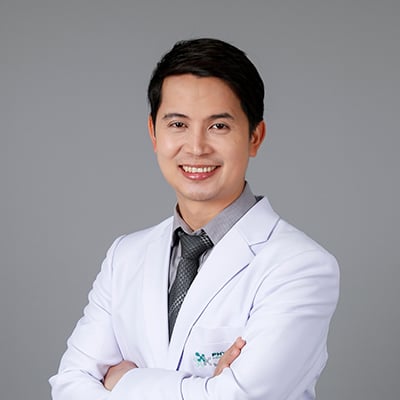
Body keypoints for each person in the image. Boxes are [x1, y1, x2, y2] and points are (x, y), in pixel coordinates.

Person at [49, 38, 339, 400]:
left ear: (255, 137)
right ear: (154, 134)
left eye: (218, 126)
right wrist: (206, 388)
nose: (197, 147)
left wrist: (122, 382)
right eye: (178, 124)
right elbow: (69, 385)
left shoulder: (300, 266)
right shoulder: (124, 257)